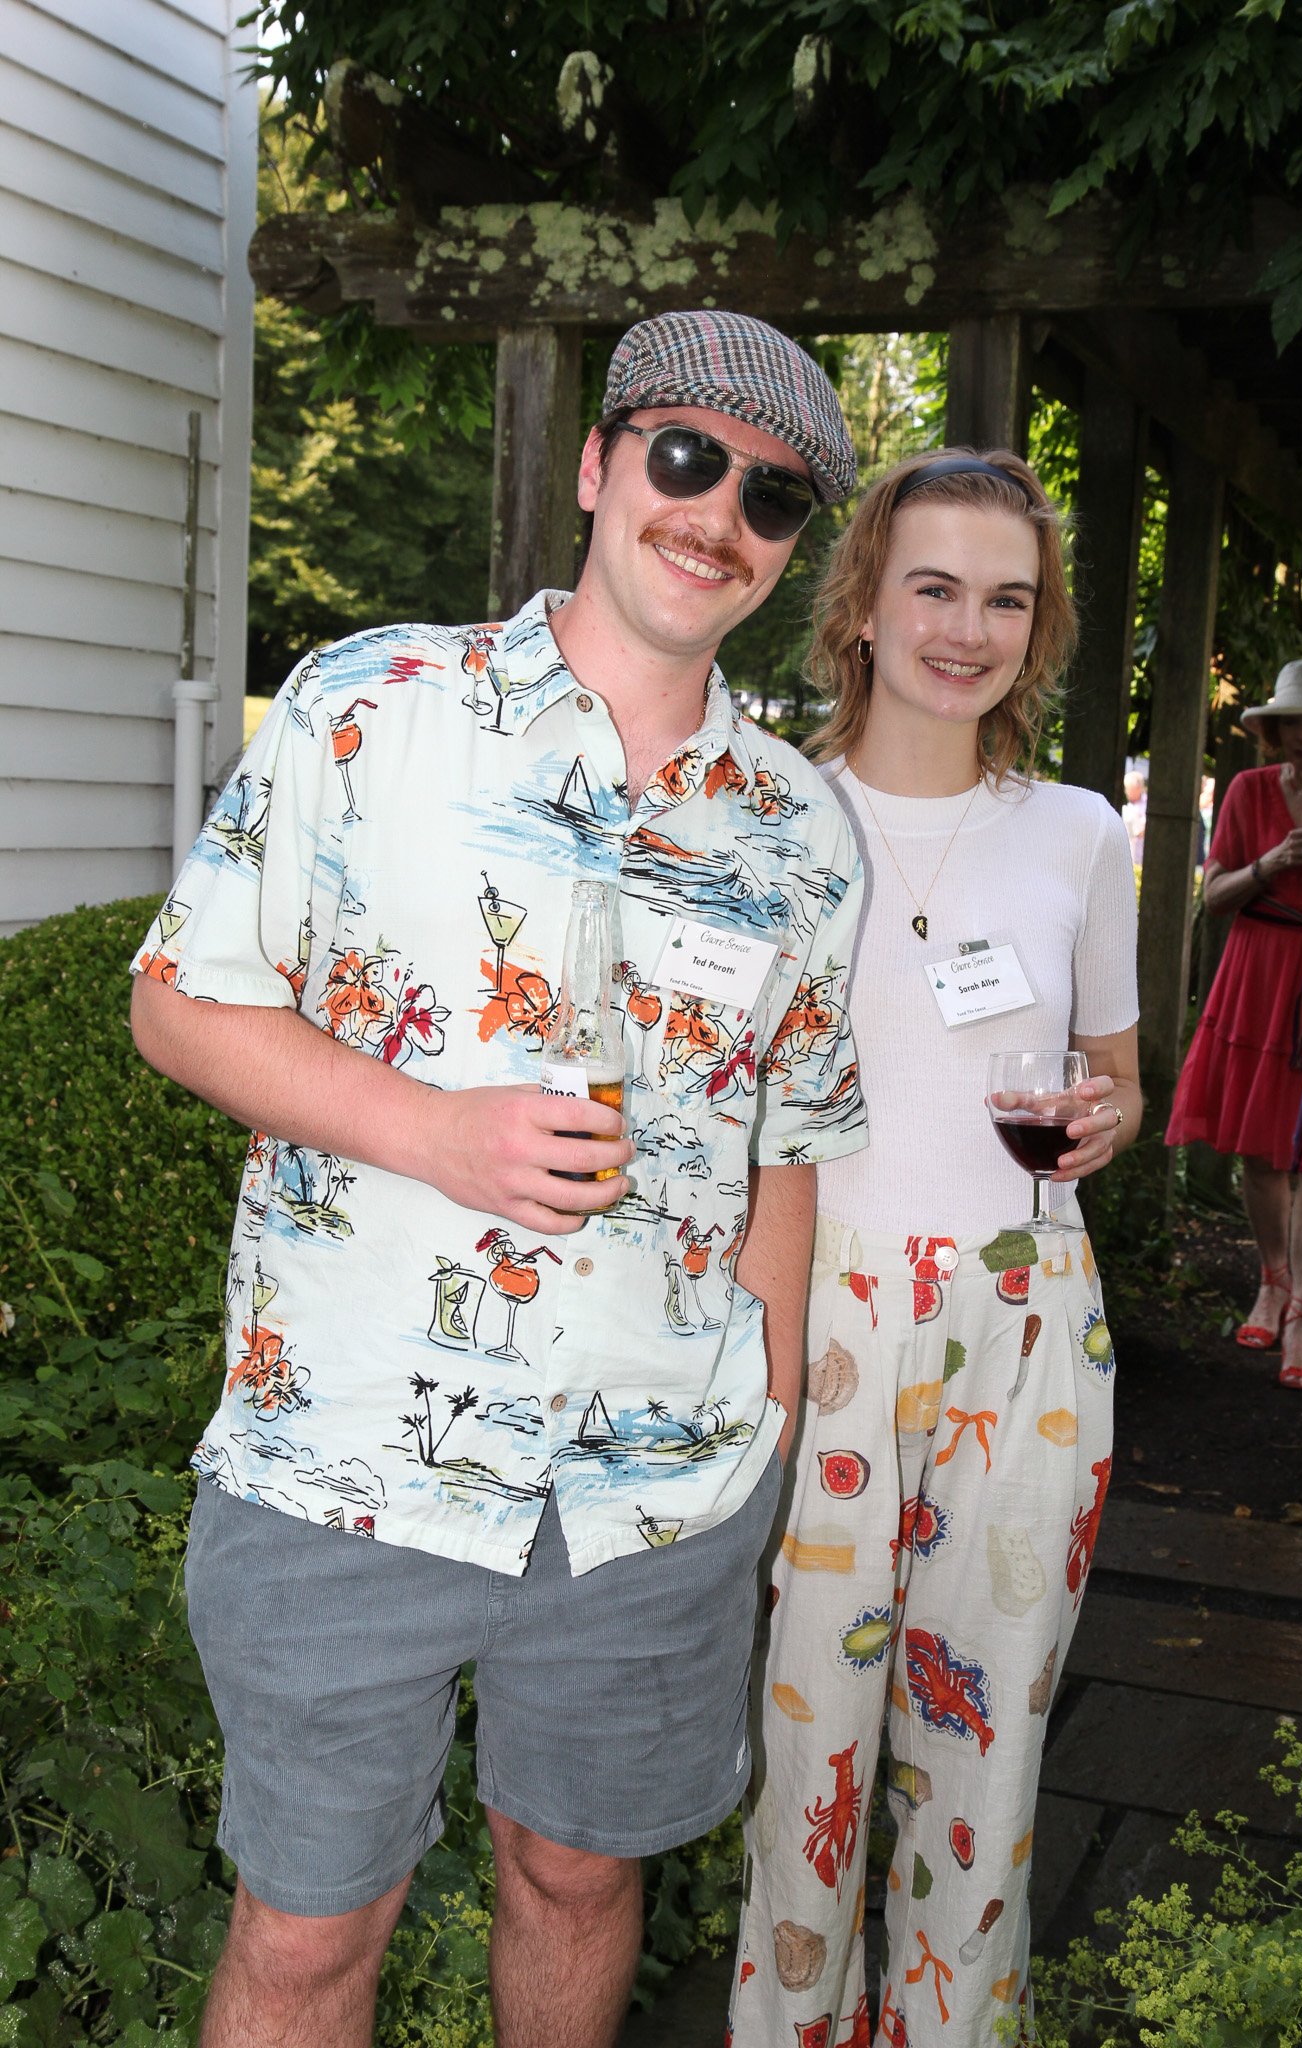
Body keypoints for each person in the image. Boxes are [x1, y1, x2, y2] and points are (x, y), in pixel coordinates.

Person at [128, 310, 870, 2048]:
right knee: (311, 1934)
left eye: (771, 496)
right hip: (347, 1454)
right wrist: (441, 1132)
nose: (720, 513)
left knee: (578, 1875)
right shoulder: (367, 705)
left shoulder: (798, 828)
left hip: (657, 1492)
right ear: (604, 468)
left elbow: (787, 1148)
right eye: (687, 456)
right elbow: (177, 999)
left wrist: (761, 1418)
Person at [726, 448, 1141, 2048]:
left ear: (1038, 633)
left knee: (989, 1756)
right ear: (862, 605)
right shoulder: (763, 810)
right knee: (806, 1746)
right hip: (812, 1313)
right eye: (934, 587)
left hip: (1027, 1328)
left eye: (1006, 599)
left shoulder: (1077, 834)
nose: (967, 628)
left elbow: (1114, 1074)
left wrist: (1105, 1119)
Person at [1166, 658, 1302, 1391]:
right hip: (1257, 973)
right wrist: (1272, 862)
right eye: (1287, 727)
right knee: (1262, 1149)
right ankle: (1272, 1280)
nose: (1299, 740)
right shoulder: (1248, 792)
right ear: (1273, 729)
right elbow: (1213, 895)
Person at [1122, 766, 1148, 869]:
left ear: (1138, 788)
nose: (1126, 792)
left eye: (1128, 789)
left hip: (1142, 853)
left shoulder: (1147, 804)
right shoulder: (1127, 805)